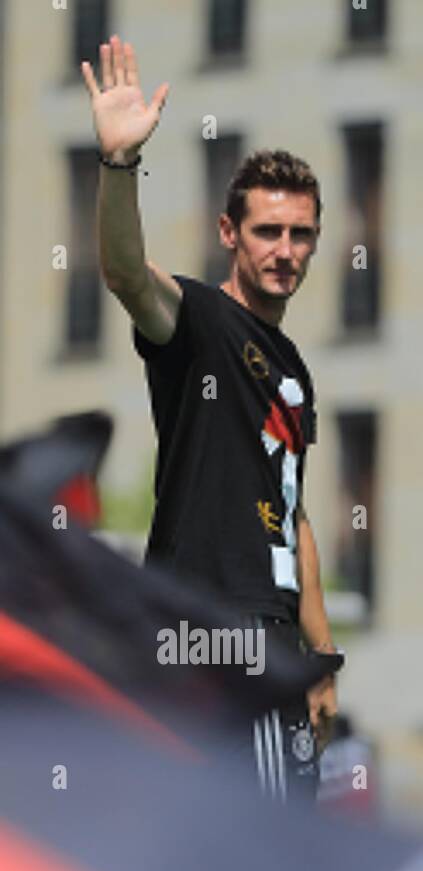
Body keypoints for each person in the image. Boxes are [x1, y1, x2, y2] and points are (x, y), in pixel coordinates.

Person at [82, 34, 339, 799]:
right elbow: (127, 272)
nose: (284, 250)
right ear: (229, 234)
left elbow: (292, 514)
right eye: (267, 231)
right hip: (209, 627)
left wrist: (320, 660)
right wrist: (119, 161)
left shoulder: (291, 369)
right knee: (256, 847)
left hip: (272, 638)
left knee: (260, 850)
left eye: (299, 234)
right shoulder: (196, 322)